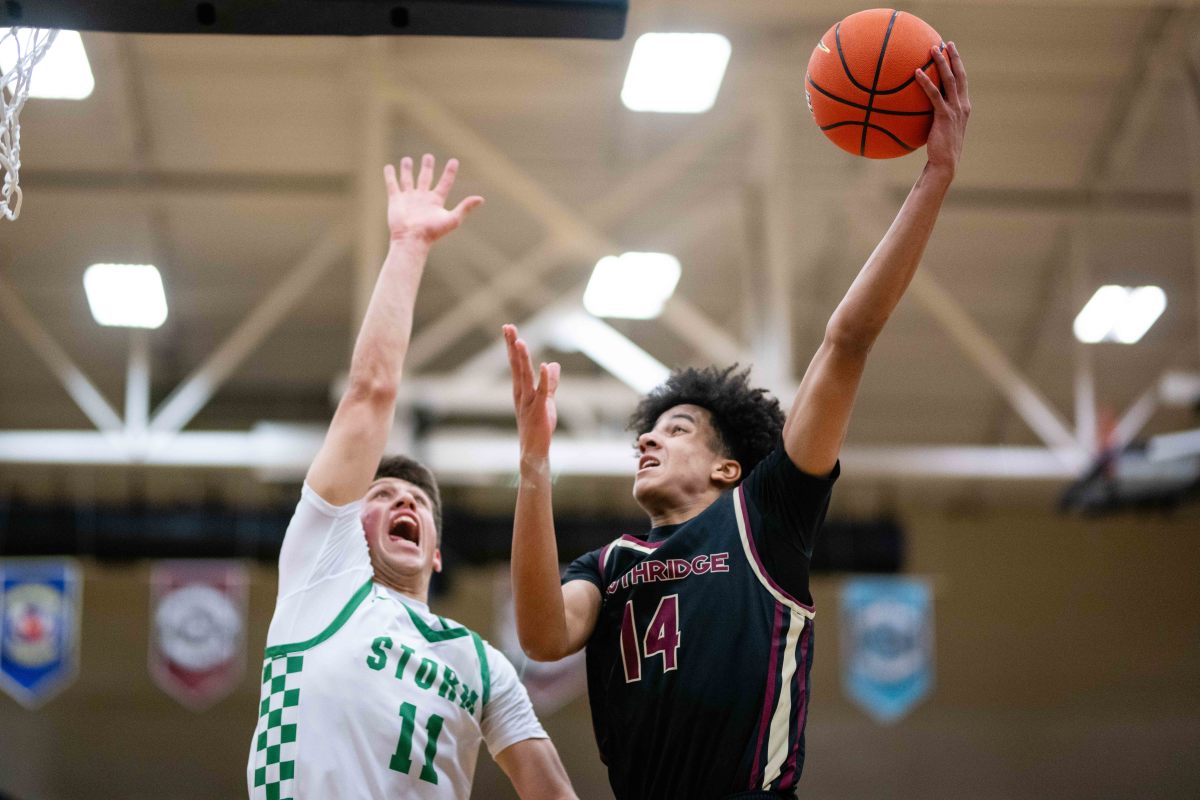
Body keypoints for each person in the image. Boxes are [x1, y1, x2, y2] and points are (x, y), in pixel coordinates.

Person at [505, 43, 970, 799]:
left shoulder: (766, 517)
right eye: (647, 433)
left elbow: (846, 341)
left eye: (678, 428)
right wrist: (533, 466)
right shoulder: (612, 564)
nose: (649, 438)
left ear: (728, 468)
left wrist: (936, 176)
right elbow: (542, 636)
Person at [247, 155, 576, 800]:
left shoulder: (481, 664)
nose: (404, 501)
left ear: (436, 548)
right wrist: (408, 247)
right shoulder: (324, 576)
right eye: (382, 495)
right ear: (344, 525)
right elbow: (370, 394)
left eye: (418, 501)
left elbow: (552, 791)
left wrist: (535, 461)